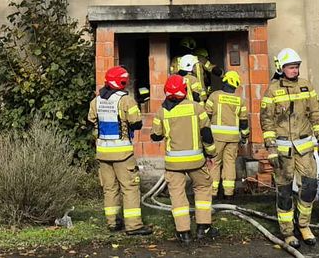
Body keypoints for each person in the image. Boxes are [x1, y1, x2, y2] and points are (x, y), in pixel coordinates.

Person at [260, 47, 319, 248]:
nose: (295, 71)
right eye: (290, 67)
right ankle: (287, 231)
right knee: (285, 192)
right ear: (281, 68)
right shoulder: (272, 90)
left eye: (296, 67)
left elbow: (315, 113)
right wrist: (271, 148)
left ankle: (304, 225)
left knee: (310, 187)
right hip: (283, 151)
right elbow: (266, 119)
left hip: (305, 147)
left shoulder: (307, 86)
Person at [152, 74, 218, 244]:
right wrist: (210, 154)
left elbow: (156, 136)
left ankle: (184, 233)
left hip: (173, 163)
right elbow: (207, 134)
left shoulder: (161, 111)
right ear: (185, 89)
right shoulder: (197, 108)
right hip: (197, 161)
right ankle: (204, 227)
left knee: (177, 194)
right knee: (203, 187)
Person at [88, 66, 152, 236]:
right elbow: (136, 123)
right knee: (130, 188)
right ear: (122, 81)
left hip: (103, 153)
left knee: (109, 188)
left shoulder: (96, 101)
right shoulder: (126, 100)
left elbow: (91, 121)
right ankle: (134, 226)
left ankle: (112, 222)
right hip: (123, 154)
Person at [204, 70, 248, 199]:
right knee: (230, 164)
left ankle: (213, 192)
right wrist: (245, 135)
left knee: (214, 163)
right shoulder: (240, 100)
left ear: (224, 82)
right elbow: (244, 121)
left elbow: (206, 115)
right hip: (233, 138)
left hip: (217, 137)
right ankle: (229, 193)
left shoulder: (214, 96)